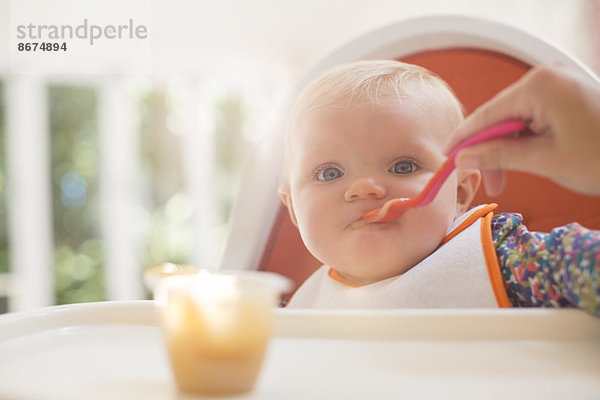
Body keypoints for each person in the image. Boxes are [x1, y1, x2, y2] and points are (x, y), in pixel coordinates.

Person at [278, 60, 600, 313]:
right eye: (329, 173)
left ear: (459, 191)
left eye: (403, 166)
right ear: (292, 206)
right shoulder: (293, 312)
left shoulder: (504, 261)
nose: (364, 189)